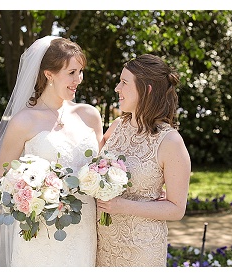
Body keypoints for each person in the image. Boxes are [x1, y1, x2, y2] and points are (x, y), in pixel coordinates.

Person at [0, 36, 103, 266]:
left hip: (84, 228)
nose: (79, 79)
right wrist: (34, 194)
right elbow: (1, 177)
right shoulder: (24, 121)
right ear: (49, 74)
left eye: (80, 72)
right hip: (40, 232)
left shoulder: (90, 116)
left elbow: (101, 167)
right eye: (72, 73)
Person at [95, 54, 191, 266]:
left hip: (141, 250)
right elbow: (93, 169)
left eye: (124, 82)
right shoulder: (116, 127)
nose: (117, 88)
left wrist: (121, 205)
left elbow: (176, 209)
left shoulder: (170, 142)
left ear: (146, 89)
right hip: (103, 244)